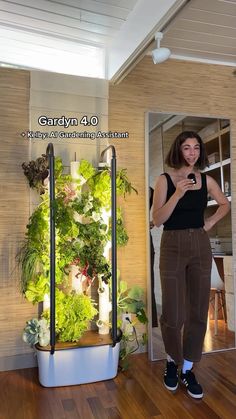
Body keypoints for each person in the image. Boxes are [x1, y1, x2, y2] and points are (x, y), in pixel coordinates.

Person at [152, 131, 230, 399]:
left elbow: (224, 204)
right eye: (187, 148)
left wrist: (208, 224)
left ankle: (188, 367)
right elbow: (158, 219)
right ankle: (172, 362)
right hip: (172, 245)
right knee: (173, 314)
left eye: (196, 148)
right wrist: (177, 194)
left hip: (199, 245)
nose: (192, 153)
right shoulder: (164, 180)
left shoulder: (207, 180)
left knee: (198, 310)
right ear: (179, 151)